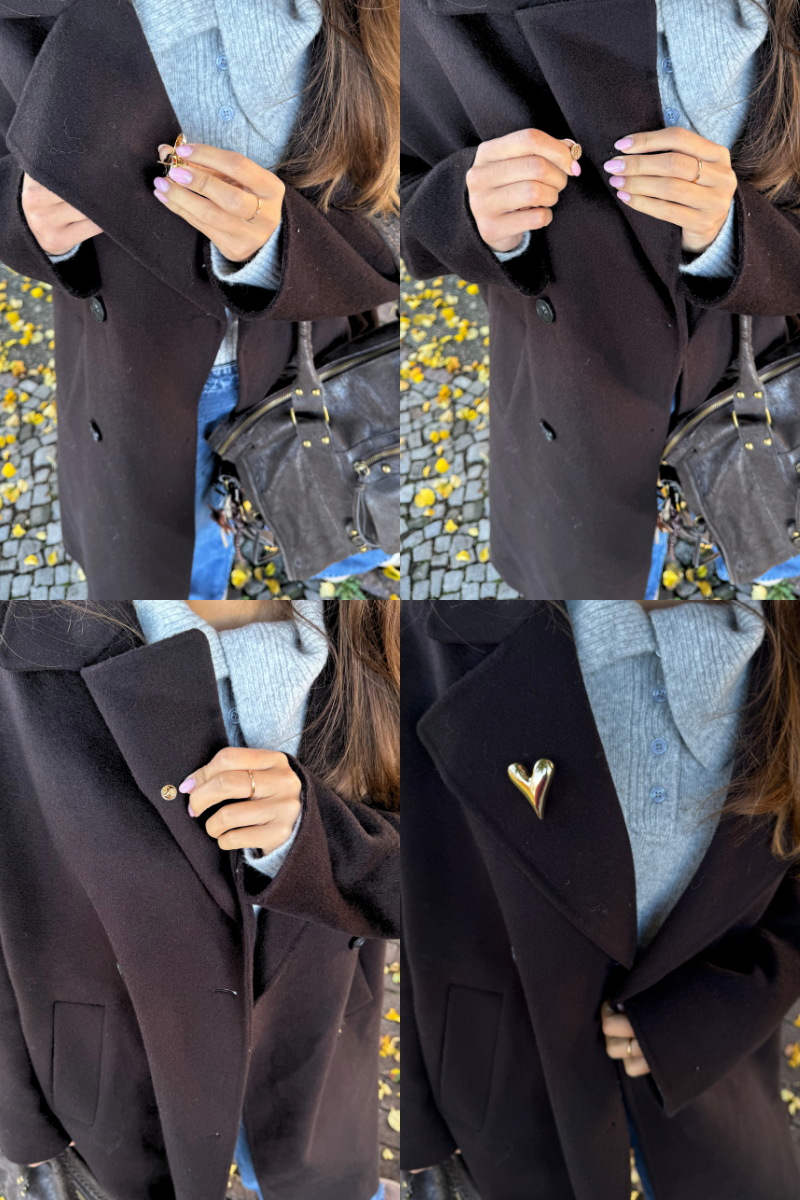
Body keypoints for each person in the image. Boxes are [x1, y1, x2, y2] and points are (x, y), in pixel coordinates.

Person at [0, 597, 400, 1200]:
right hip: (124, 1068)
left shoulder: (382, 620)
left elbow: (455, 871)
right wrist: (23, 1124)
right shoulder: (25, 635)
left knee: (307, 1177)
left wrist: (319, 840)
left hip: (315, 1042)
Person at [401, 597, 800, 1199]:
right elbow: (419, 868)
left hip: (719, 1090)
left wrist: (736, 1005)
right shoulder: (437, 618)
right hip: (508, 1090)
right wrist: (420, 1129)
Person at [400, 0, 800, 599]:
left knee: (765, 547)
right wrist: (467, 210)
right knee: (608, 594)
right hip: (568, 400)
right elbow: (375, 193)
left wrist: (736, 238)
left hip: (756, 366)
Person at [0, 0, 399, 598]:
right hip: (132, 372)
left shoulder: (371, 14)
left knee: (319, 505)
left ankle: (326, 560)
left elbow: (401, 205)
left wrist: (282, 246)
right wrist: (23, 217)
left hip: (298, 353)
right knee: (179, 565)